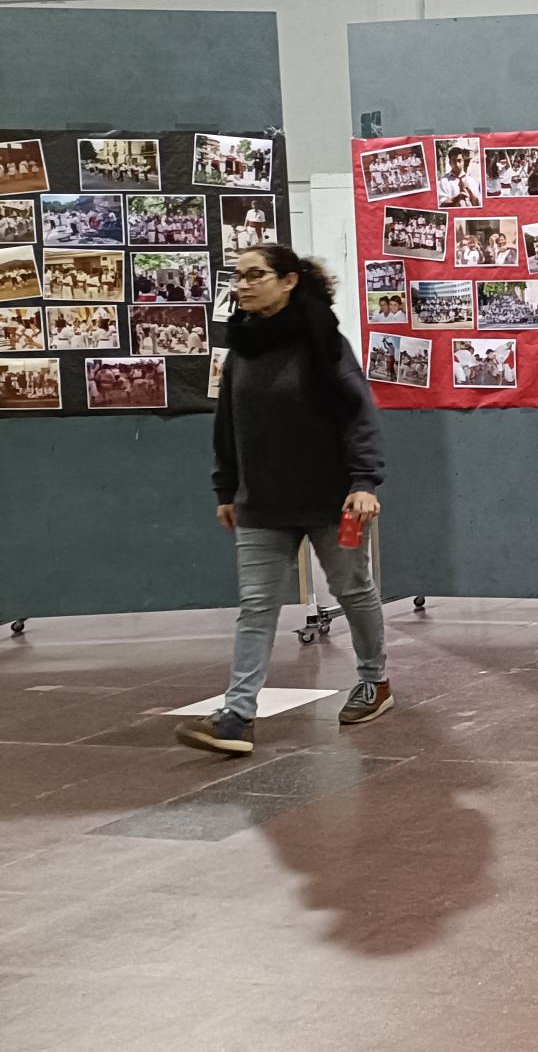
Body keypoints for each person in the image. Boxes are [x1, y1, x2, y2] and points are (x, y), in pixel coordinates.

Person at [177, 246, 390, 755]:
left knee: (353, 589)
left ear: (289, 280)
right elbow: (227, 426)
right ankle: (237, 715)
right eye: (238, 277)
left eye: (256, 275)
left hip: (330, 497)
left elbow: (358, 415)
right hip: (262, 502)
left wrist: (364, 482)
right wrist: (226, 490)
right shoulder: (240, 351)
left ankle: (374, 680)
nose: (244, 285)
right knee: (256, 606)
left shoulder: (323, 339)